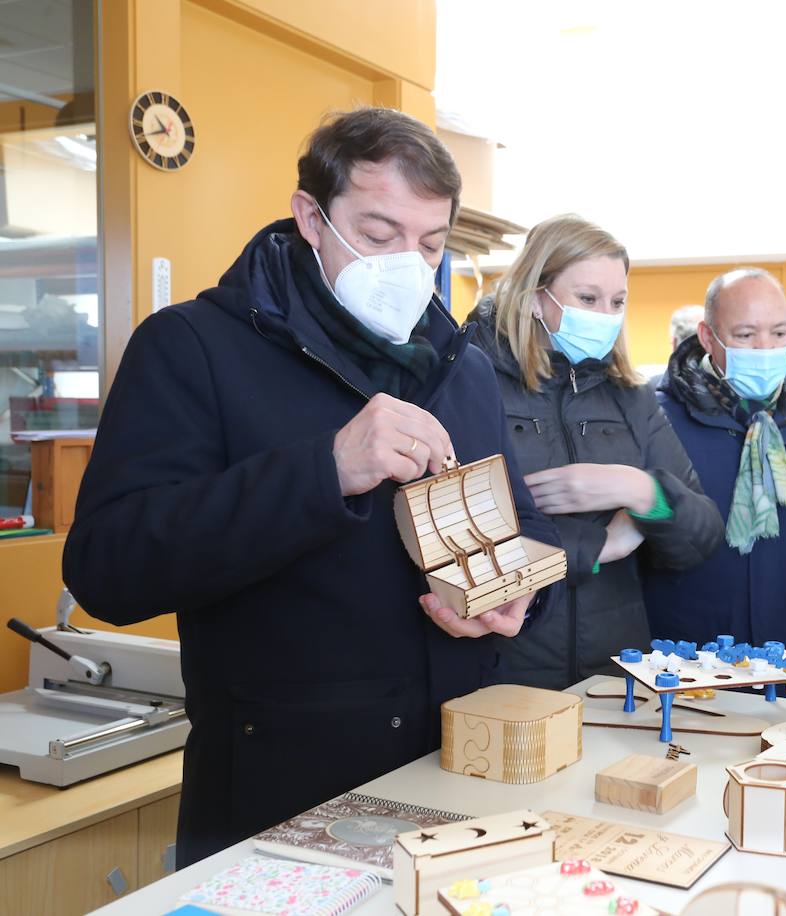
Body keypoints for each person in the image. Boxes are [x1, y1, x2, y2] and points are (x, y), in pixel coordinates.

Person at [61, 109, 561, 866]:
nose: (407, 265)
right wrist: (325, 469)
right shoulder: (193, 347)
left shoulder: (462, 368)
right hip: (281, 793)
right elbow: (109, 568)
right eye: (379, 233)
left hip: (456, 777)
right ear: (311, 219)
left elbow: (511, 520)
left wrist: (518, 592)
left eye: (430, 244)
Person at [466, 215, 723, 689]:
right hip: (502, 669)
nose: (606, 314)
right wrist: (600, 546)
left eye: (617, 301)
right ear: (535, 294)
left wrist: (643, 491)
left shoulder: (629, 396)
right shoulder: (473, 380)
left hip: (614, 674)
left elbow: (702, 534)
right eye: (588, 298)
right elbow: (462, 536)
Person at [641, 268, 786, 666]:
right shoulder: (658, 419)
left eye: (779, 333)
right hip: (690, 661)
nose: (765, 348)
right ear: (707, 337)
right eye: (746, 335)